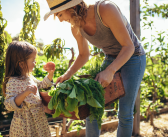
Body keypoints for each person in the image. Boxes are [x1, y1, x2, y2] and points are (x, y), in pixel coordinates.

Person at [44, 0, 146, 136]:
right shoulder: (76, 27)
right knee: (92, 106)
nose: (61, 20)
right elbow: (83, 54)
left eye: (60, 14)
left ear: (71, 7)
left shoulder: (105, 9)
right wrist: (67, 75)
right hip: (110, 58)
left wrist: (110, 70)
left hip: (134, 57)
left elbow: (129, 47)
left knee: (125, 111)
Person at [3, 41, 55, 137]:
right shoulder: (13, 81)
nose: (35, 63)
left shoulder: (29, 77)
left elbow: (41, 86)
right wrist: (24, 93)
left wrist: (50, 74)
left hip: (38, 120)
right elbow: (9, 105)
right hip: (25, 123)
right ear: (22, 64)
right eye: (33, 60)